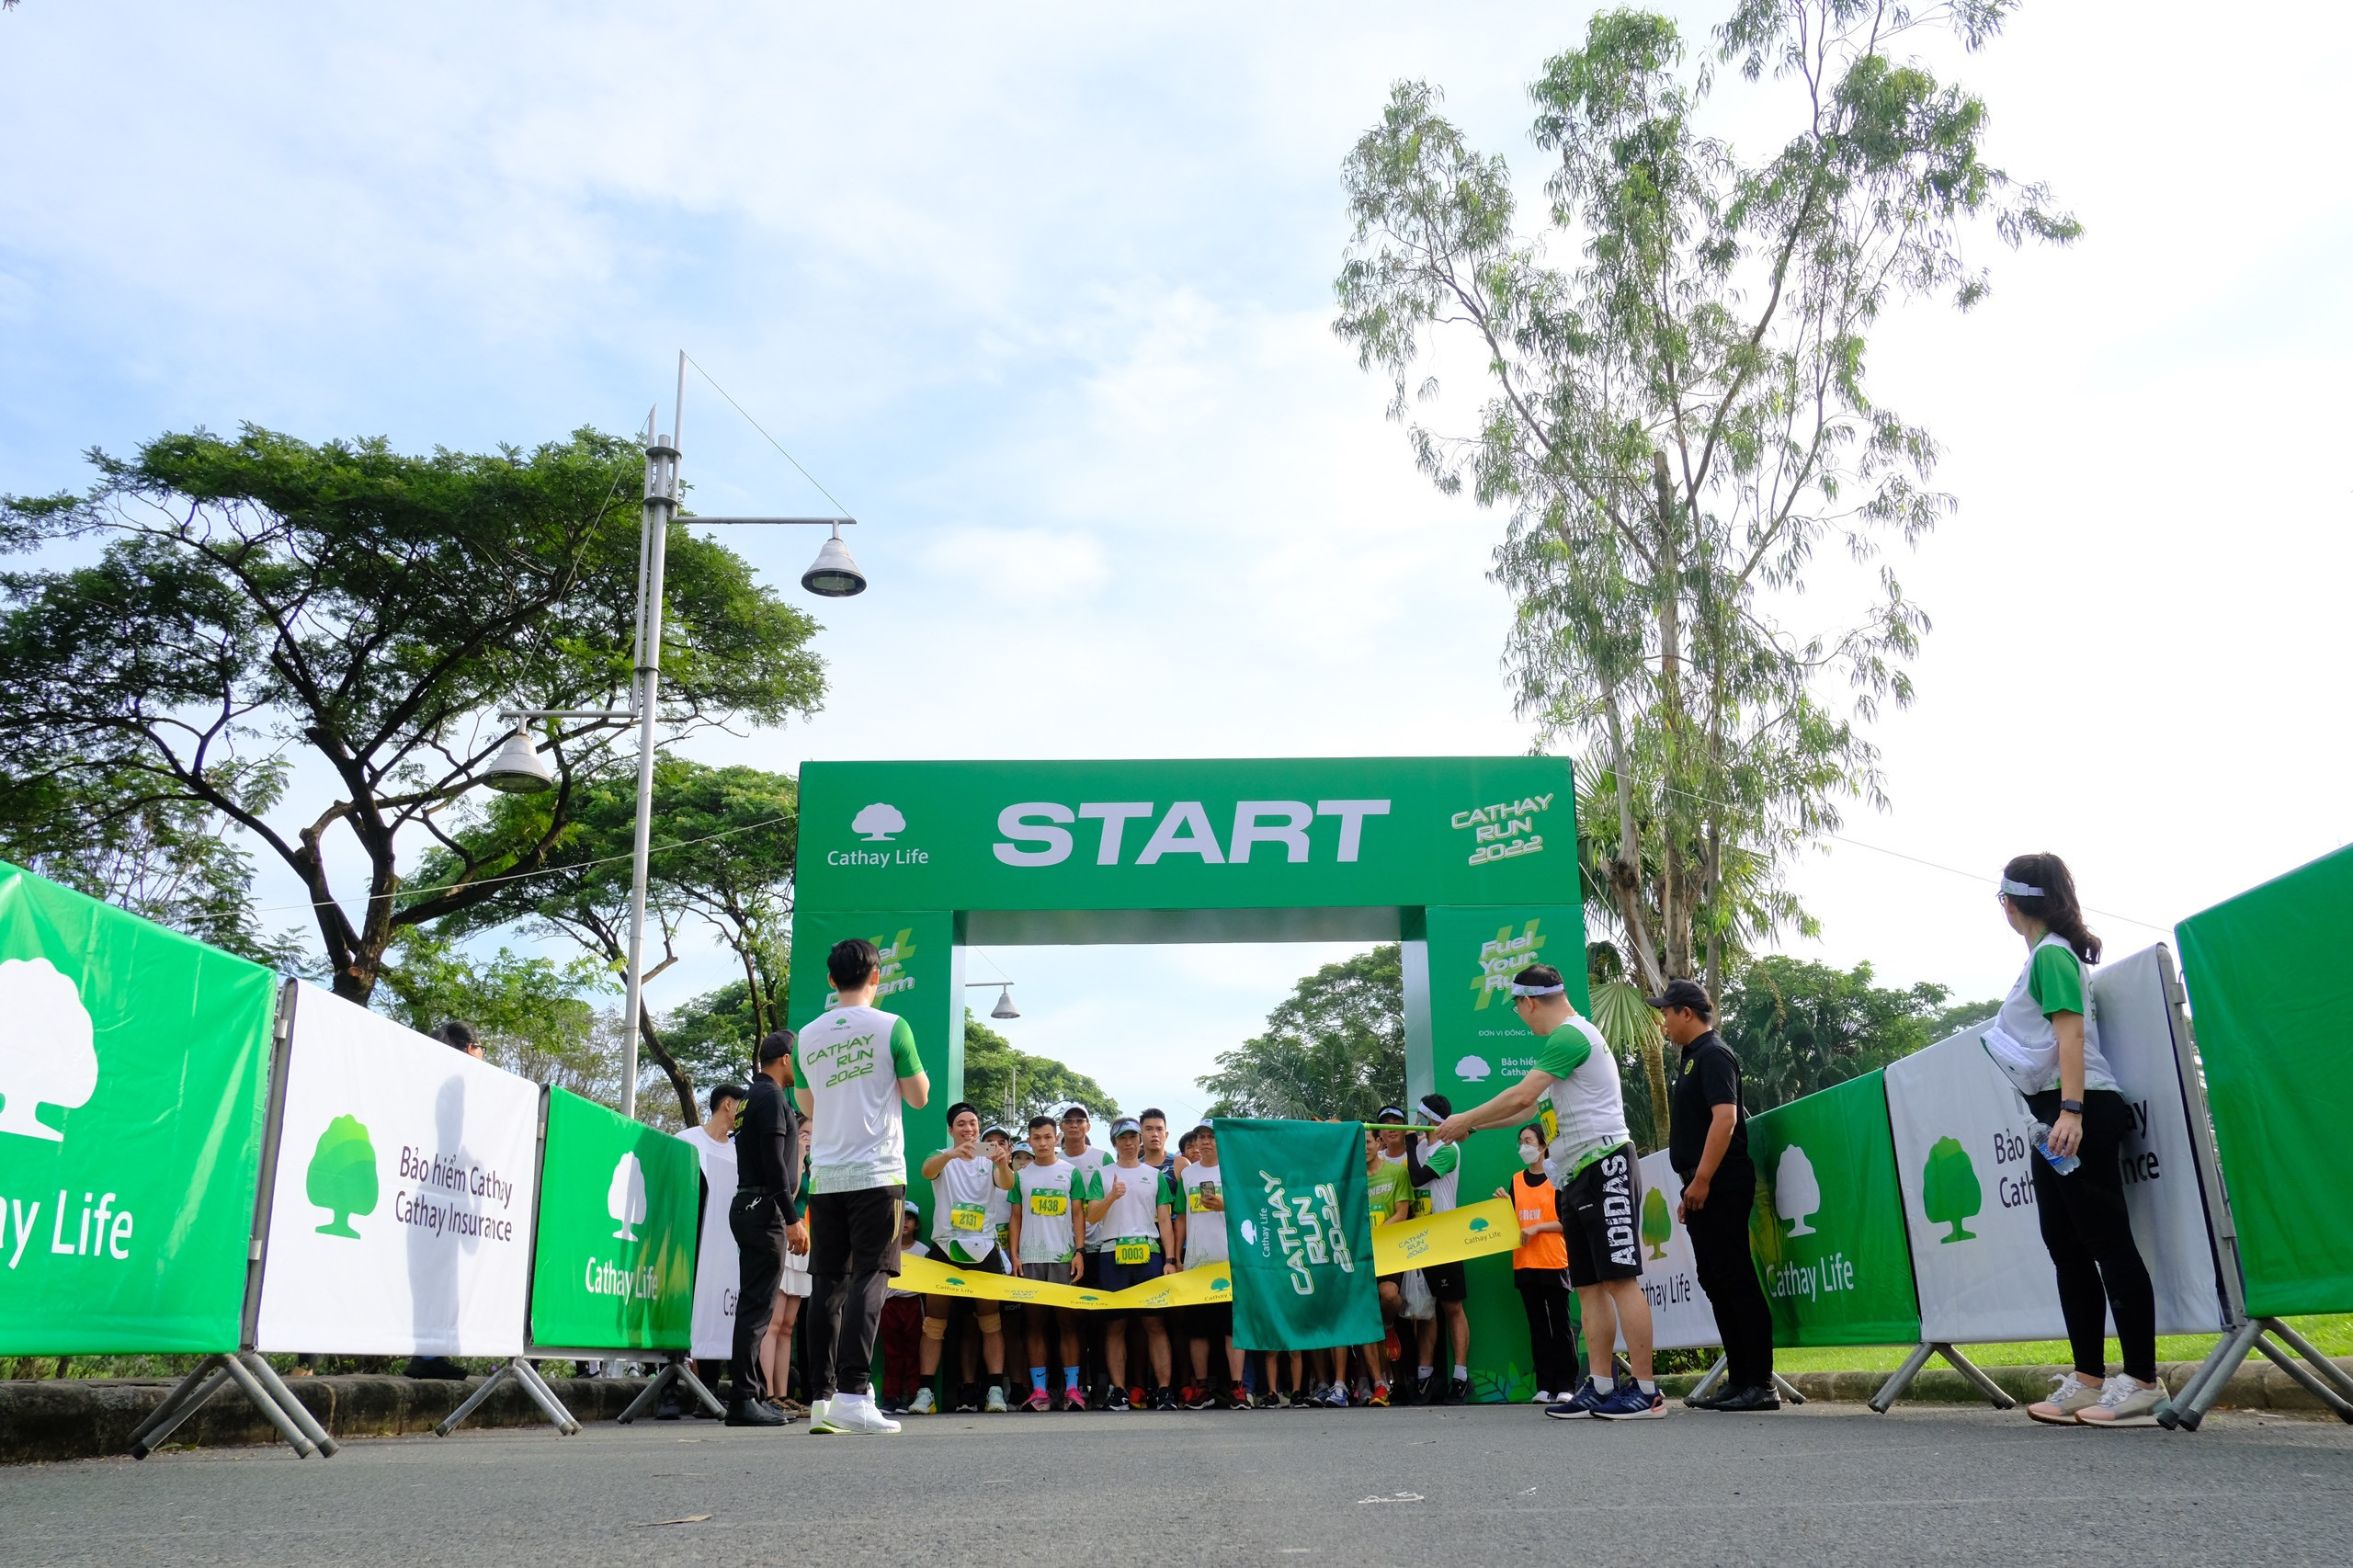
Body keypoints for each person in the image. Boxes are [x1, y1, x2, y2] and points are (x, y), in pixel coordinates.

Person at [1434, 964, 1664, 1420]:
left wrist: (1466, 1118)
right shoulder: (1559, 1046)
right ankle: (1599, 1386)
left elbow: (1521, 1097)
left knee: (1619, 1280)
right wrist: (1472, 1128)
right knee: (1589, 1287)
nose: (1521, 1018)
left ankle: (1647, 1390)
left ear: (1529, 1001)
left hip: (1607, 1164)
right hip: (1576, 1175)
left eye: (1517, 1008)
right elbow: (1527, 1113)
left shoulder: (1571, 1036)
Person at [1994, 855, 2164, 1426]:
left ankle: (2143, 1382)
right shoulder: (2043, 956)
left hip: (2078, 1105)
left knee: (2107, 1242)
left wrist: (2072, 1109)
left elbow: (2071, 1034)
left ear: (2011, 903)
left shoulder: (2052, 955)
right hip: (2051, 1115)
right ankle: (2089, 1380)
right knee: (2066, 1247)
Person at [794, 937, 930, 1437]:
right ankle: (854, 1393)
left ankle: (822, 1400)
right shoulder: (892, 1026)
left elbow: (807, 1106)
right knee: (871, 1277)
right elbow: (919, 1097)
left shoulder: (806, 1036)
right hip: (877, 1174)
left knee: (827, 1284)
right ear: (877, 977)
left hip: (827, 1175)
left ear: (831, 980)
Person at [1654, 979, 1777, 1414]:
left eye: (1666, 1013)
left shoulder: (1713, 1054)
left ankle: (1761, 1383)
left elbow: (1725, 1119)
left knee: (1736, 1277)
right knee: (1715, 1279)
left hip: (1722, 1180)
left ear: (1687, 1013)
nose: (1663, 1022)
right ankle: (1739, 1378)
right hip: (1701, 1183)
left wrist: (1703, 1179)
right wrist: (1692, 1185)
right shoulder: (1691, 1058)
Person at [910, 1102, 1014, 1415]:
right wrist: (952, 1154)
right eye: (962, 1124)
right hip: (946, 1247)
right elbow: (927, 1170)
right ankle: (925, 1392)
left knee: (990, 1320)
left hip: (984, 1247)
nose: (969, 1128)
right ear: (951, 1129)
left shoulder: (990, 1158)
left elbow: (1007, 1184)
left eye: (973, 1123)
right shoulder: (941, 1155)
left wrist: (1003, 1164)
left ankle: (994, 1390)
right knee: (934, 1323)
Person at [727, 1031, 805, 1427]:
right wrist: (792, 1217)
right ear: (786, 1059)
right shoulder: (771, 1097)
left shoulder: (751, 1097)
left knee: (756, 1305)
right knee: (757, 1308)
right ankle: (744, 1399)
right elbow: (774, 1162)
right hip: (763, 1209)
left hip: (751, 1205)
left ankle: (755, 1395)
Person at [1083, 1116, 1180, 1410]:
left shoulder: (1154, 1176)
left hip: (1148, 1251)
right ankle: (1120, 1390)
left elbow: (1165, 1220)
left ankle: (1164, 1390)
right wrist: (1111, 1196)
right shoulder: (1102, 1175)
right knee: (1116, 1326)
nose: (1128, 1143)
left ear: (1140, 1141)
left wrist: (1170, 1258)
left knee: (1155, 1323)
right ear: (1114, 1143)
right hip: (1112, 1252)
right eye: (1122, 1138)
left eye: (1132, 1137)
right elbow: (1092, 1216)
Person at [669, 1083, 745, 1419]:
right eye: (741, 1105)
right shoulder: (687, 1140)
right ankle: (669, 1393)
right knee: (679, 1318)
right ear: (727, 1104)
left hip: (722, 1252)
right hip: (686, 1248)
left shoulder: (738, 1154)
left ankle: (708, 1394)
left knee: (714, 1314)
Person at [1008, 1114, 1088, 1411]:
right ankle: (1039, 1391)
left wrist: (1080, 1251)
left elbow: (1078, 1214)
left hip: (1063, 1258)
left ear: (1057, 1139)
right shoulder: (1020, 1176)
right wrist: (1014, 1254)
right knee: (1034, 1325)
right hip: (1030, 1260)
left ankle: (1072, 1390)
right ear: (1029, 1141)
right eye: (1036, 1138)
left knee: (1068, 1324)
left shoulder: (1071, 1172)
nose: (1042, 1143)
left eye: (1047, 1137)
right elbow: (1015, 1216)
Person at [1496, 1121, 1574, 1403]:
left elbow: (1567, 1221)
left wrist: (1538, 1228)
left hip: (1554, 1260)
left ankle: (1567, 1385)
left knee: (1561, 1325)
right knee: (1538, 1326)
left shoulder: (1557, 1177)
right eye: (1521, 1142)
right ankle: (1545, 1386)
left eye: (1528, 1141)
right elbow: (1513, 1221)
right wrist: (1503, 1204)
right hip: (1525, 1262)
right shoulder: (1516, 1180)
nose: (1523, 1147)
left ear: (1543, 1145)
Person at [1406, 1093, 1472, 1405]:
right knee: (1425, 1310)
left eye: (1420, 1116)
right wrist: (1412, 1144)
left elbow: (1418, 1178)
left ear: (1430, 1119)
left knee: (1451, 1305)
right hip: (1421, 1237)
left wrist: (1409, 1143)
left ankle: (1461, 1377)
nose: (1416, 1121)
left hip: (1445, 1236)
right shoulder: (1421, 1147)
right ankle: (1425, 1376)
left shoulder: (1449, 1148)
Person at [1177, 1123, 1247, 1410]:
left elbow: (1252, 1208)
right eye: (1201, 1137)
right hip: (1196, 1263)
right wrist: (1176, 1258)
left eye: (1211, 1137)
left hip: (1230, 1262)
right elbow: (1181, 1216)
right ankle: (1202, 1387)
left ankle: (1237, 1388)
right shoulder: (1187, 1174)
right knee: (1198, 1329)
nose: (1205, 1142)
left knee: (1232, 1327)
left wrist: (1224, 1205)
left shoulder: (1236, 1169)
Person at [1360, 1108, 1416, 1407]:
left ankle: (1390, 1325)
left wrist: (1377, 1234)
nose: (1364, 1148)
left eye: (1368, 1142)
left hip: (1390, 1252)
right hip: (1360, 1257)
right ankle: (1380, 1384)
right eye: (1359, 1144)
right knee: (1367, 1315)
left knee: (1389, 1296)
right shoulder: (1351, 1179)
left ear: (1378, 1142)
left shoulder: (1397, 1173)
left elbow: (1402, 1213)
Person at [879, 1207, 928, 1413]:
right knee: (892, 1351)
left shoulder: (923, 1251)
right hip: (889, 1304)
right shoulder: (887, 1248)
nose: (905, 1222)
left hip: (913, 1304)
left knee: (914, 1351)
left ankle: (915, 1396)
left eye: (910, 1219)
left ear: (916, 1225)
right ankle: (891, 1397)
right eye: (902, 1218)